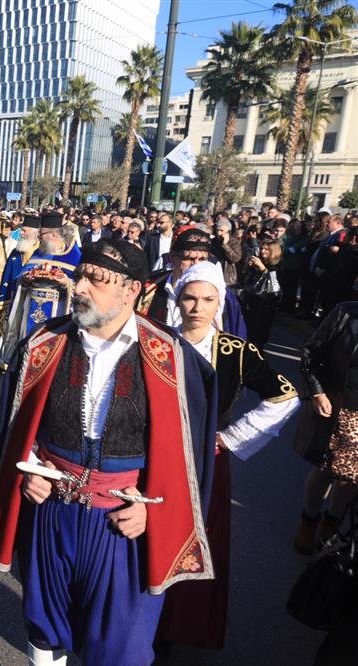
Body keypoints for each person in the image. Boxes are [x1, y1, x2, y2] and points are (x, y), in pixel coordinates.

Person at [0, 238, 218, 665]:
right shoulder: (42, 344)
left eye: (95, 279)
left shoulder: (172, 359)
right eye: (80, 275)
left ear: (132, 290)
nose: (80, 287)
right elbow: (17, 428)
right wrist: (30, 468)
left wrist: (156, 511)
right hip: (52, 513)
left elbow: (189, 460)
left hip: (124, 526)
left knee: (118, 648)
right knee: (44, 625)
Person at [156, 261, 299, 649]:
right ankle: (147, 622)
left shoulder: (235, 351)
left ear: (219, 303)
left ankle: (186, 627)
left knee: (199, 543)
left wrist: (230, 438)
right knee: (153, 538)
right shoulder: (158, 343)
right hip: (156, 460)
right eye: (189, 297)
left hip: (206, 464)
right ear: (178, 299)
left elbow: (285, 396)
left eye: (207, 299)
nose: (197, 307)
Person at [293, 302, 358, 554]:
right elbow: (310, 354)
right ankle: (308, 520)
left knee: (351, 479)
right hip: (341, 408)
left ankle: (331, 522)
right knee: (325, 470)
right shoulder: (345, 313)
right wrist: (317, 393)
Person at [0, 211, 81, 371]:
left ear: (54, 235)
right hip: (29, 313)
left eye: (42, 234)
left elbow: (82, 287)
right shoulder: (39, 252)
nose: (39, 238)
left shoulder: (75, 256)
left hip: (58, 314)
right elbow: (21, 276)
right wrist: (24, 278)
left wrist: (66, 282)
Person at [139, 227, 247, 337]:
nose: (196, 265)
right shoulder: (150, 289)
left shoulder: (223, 296)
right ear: (172, 257)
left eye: (202, 259)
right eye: (189, 259)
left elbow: (235, 338)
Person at [0, 211, 41, 323]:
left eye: (24, 230)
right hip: (13, 302)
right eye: (21, 230)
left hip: (33, 304)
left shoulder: (42, 254)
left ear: (34, 233)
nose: (21, 233)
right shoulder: (15, 253)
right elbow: (7, 276)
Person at [239, 238, 283, 348]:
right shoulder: (258, 262)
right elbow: (245, 281)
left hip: (265, 305)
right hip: (251, 302)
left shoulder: (278, 265)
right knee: (247, 333)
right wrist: (248, 267)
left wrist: (263, 269)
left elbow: (275, 287)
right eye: (262, 248)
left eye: (267, 249)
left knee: (259, 336)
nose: (263, 251)